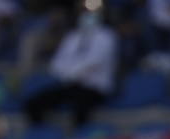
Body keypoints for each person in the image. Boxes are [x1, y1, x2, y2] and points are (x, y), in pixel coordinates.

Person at [24, 0, 119, 128]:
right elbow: (57, 63)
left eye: (90, 11)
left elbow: (94, 61)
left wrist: (71, 72)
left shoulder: (107, 36)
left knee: (81, 107)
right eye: (83, 11)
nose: (86, 15)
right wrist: (69, 73)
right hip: (70, 85)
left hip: (94, 87)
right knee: (33, 104)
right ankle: (43, 135)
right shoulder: (72, 36)